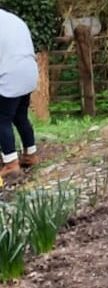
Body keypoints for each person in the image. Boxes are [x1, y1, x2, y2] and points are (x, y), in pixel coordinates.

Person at [0, 8, 40, 179]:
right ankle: (30, 155)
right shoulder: (13, 19)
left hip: (11, 73)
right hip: (28, 71)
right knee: (20, 116)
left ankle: (11, 164)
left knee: (1, 118)